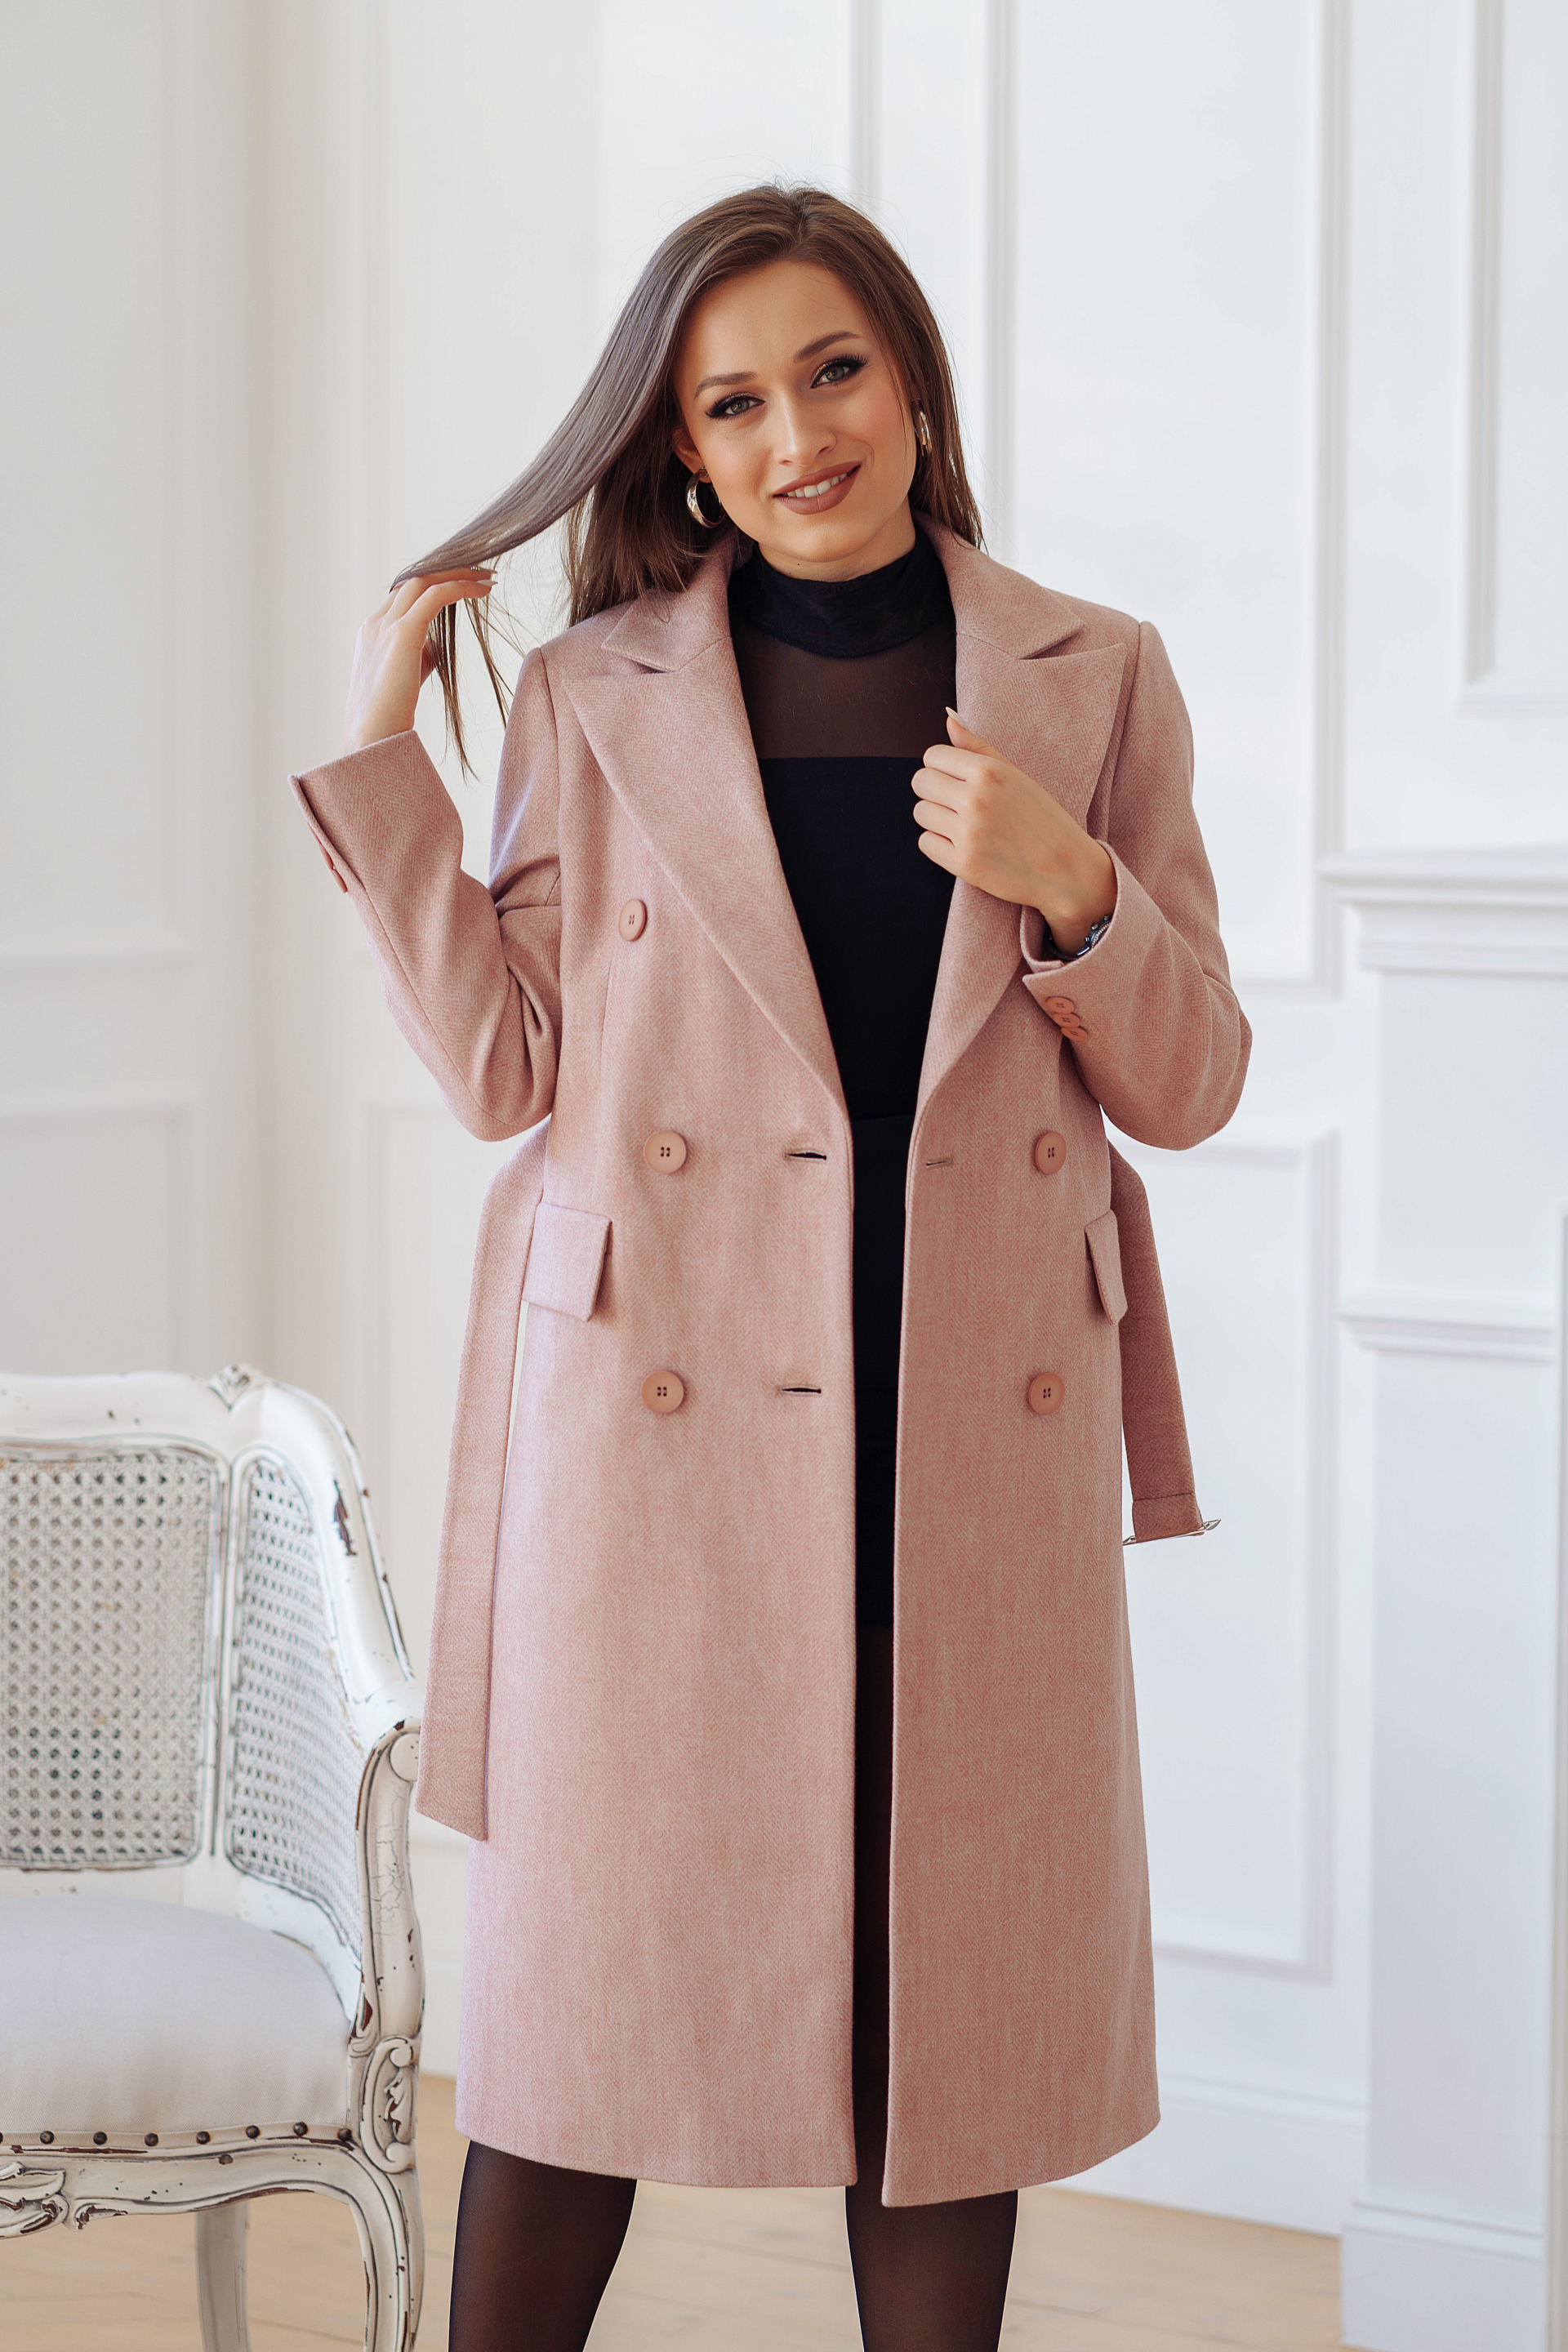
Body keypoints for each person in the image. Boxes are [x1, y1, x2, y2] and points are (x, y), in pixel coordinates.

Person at [292, 182, 1250, 2352]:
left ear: (910, 380)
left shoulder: (1096, 677)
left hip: (968, 1430)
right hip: (664, 1446)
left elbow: (1191, 1082)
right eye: (734, 405)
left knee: (948, 2064)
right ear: (682, 449)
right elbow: (507, 1066)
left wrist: (1077, 884)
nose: (798, 438)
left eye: (833, 373)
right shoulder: (592, 692)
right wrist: (383, 751)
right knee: (580, 2047)